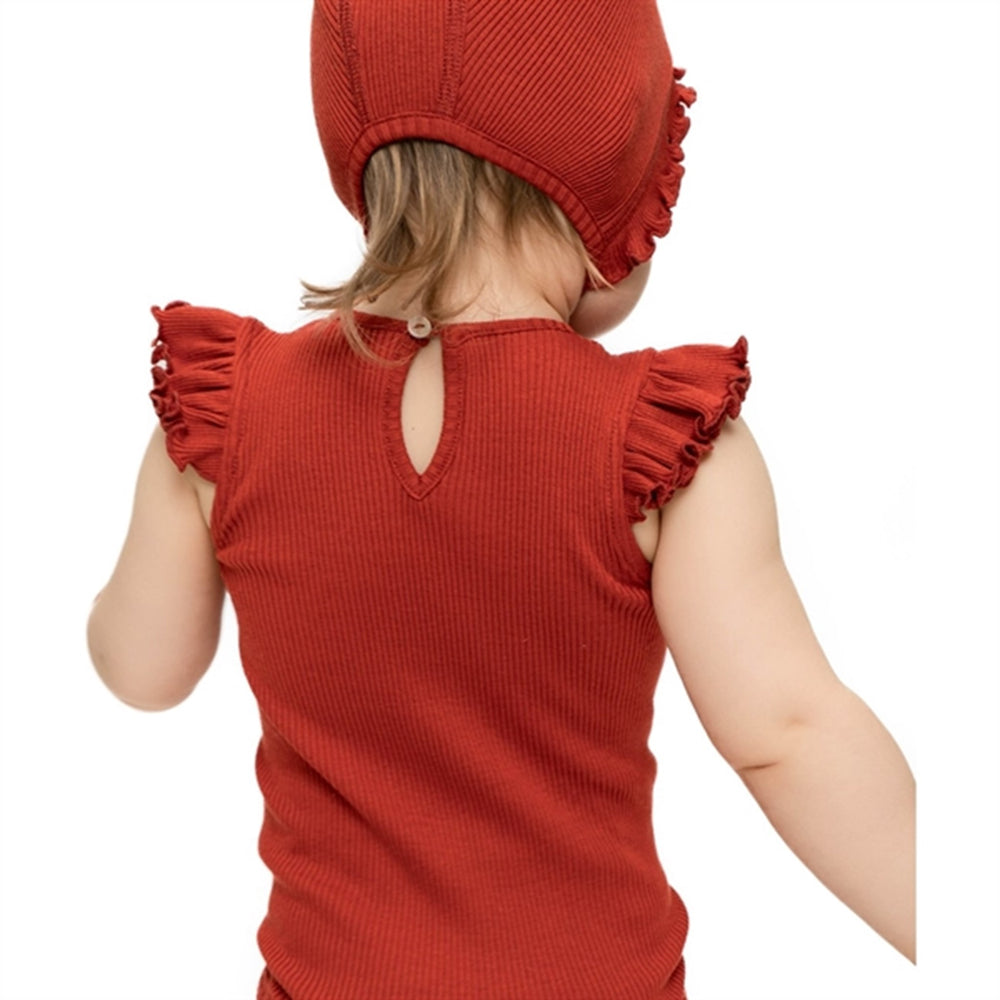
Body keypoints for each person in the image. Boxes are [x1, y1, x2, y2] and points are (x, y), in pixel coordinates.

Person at [85, 1, 916, 996]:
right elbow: (789, 732)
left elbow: (141, 670)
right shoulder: (661, 447)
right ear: (613, 184)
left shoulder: (225, 415)